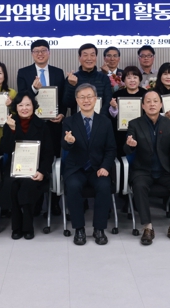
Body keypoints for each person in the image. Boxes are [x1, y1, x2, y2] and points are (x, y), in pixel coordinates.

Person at [124, 90, 170, 246]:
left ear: (161, 104)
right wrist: (130, 145)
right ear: (143, 106)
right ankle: (147, 227)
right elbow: (126, 150)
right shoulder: (134, 124)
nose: (152, 104)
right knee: (139, 186)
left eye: (155, 101)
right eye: (148, 101)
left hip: (165, 171)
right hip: (143, 170)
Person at [62, 83, 117, 246]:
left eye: (89, 97)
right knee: (73, 186)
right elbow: (64, 146)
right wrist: (69, 142)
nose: (86, 100)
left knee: (104, 186)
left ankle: (99, 229)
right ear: (77, 100)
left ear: (95, 99)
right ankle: (79, 229)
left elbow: (111, 149)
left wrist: (105, 167)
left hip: (98, 168)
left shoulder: (105, 122)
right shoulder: (69, 121)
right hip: (76, 168)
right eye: (82, 97)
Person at [1, 91, 54, 239]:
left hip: (35, 169)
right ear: (16, 107)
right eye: (20, 105)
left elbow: (49, 153)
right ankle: (16, 226)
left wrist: (42, 171)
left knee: (27, 185)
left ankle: (27, 225)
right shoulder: (10, 123)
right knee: (12, 186)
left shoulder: (42, 126)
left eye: (28, 105)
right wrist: (12, 130)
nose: (24, 108)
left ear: (33, 106)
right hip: (15, 168)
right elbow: (5, 149)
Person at [16, 39, 66, 156]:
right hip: (32, 122)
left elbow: (62, 96)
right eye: (36, 51)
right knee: (32, 155)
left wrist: (62, 114)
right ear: (32, 54)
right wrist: (33, 89)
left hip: (53, 122)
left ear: (49, 52)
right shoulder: (23, 72)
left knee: (53, 154)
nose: (40, 54)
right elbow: (21, 97)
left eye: (43, 50)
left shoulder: (58, 72)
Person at [63, 43, 111, 117]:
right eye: (85, 55)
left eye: (92, 55)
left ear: (96, 57)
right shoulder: (72, 78)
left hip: (100, 120)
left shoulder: (104, 78)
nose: (89, 58)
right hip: (78, 121)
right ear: (79, 58)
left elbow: (108, 102)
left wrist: (100, 119)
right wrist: (72, 86)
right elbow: (68, 104)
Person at [109, 66, 147, 155]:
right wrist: (113, 107)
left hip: (142, 131)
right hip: (121, 132)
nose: (132, 80)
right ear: (124, 80)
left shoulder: (146, 94)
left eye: (135, 77)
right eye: (129, 78)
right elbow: (113, 116)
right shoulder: (117, 94)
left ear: (139, 79)